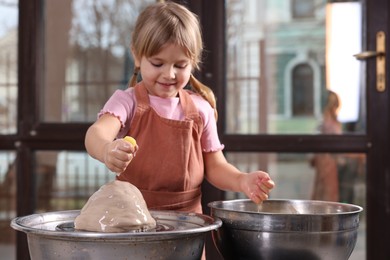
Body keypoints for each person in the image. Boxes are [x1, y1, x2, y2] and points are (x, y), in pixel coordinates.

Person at [85, 1, 274, 215]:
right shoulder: (127, 102)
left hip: (187, 223)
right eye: (158, 64)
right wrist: (106, 150)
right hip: (130, 217)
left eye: (180, 65)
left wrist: (242, 180)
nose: (169, 74)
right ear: (137, 56)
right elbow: (96, 134)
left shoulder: (201, 109)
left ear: (193, 62)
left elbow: (215, 166)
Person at [311, 90, 342, 202]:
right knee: (327, 190)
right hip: (327, 159)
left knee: (325, 189)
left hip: (328, 159)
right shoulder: (328, 121)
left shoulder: (329, 120)